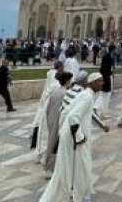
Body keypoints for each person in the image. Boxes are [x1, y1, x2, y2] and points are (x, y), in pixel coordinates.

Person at [39, 72, 104, 202]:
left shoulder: (86, 95)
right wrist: (80, 138)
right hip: (74, 138)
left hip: (71, 136)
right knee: (81, 167)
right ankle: (79, 196)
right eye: (99, 81)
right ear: (91, 83)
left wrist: (102, 125)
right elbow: (74, 117)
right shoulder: (87, 97)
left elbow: (70, 112)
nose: (102, 83)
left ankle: (82, 196)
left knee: (77, 167)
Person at [32, 62, 63, 164]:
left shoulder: (50, 76)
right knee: (46, 133)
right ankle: (43, 156)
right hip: (48, 108)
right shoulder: (55, 83)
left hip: (44, 106)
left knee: (42, 132)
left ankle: (39, 154)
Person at [43, 72, 73, 175]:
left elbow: (48, 108)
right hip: (57, 120)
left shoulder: (55, 90)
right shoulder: (65, 93)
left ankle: (52, 167)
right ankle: (49, 168)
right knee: (53, 144)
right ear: (67, 81)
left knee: (52, 142)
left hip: (51, 119)